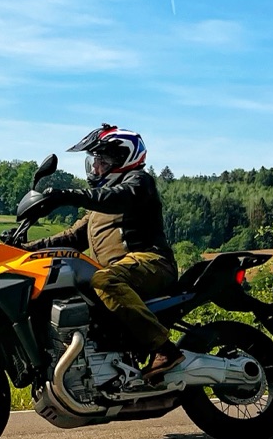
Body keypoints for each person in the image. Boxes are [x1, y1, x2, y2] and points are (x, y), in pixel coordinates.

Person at [24, 124, 184, 381]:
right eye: (94, 161)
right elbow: (72, 238)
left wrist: (67, 196)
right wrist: (24, 248)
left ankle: (165, 348)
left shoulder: (138, 183)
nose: (95, 167)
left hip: (152, 263)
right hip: (122, 272)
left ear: (123, 159)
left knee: (103, 280)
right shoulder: (99, 207)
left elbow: (116, 197)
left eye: (102, 161)